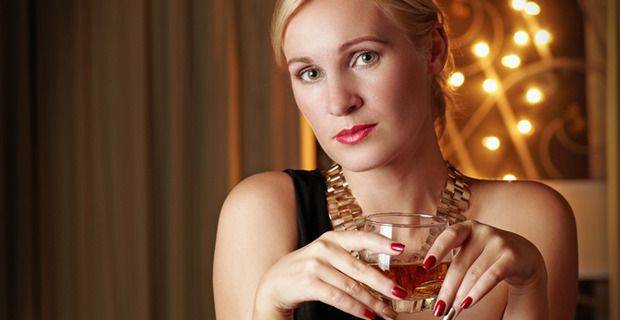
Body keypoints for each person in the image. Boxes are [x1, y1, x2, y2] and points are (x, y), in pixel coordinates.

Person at [213, 0, 578, 319]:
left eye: (364, 57)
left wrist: (528, 290)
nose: (339, 102)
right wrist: (269, 309)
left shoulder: (531, 221)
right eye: (310, 73)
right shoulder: (260, 212)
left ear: (433, 49)